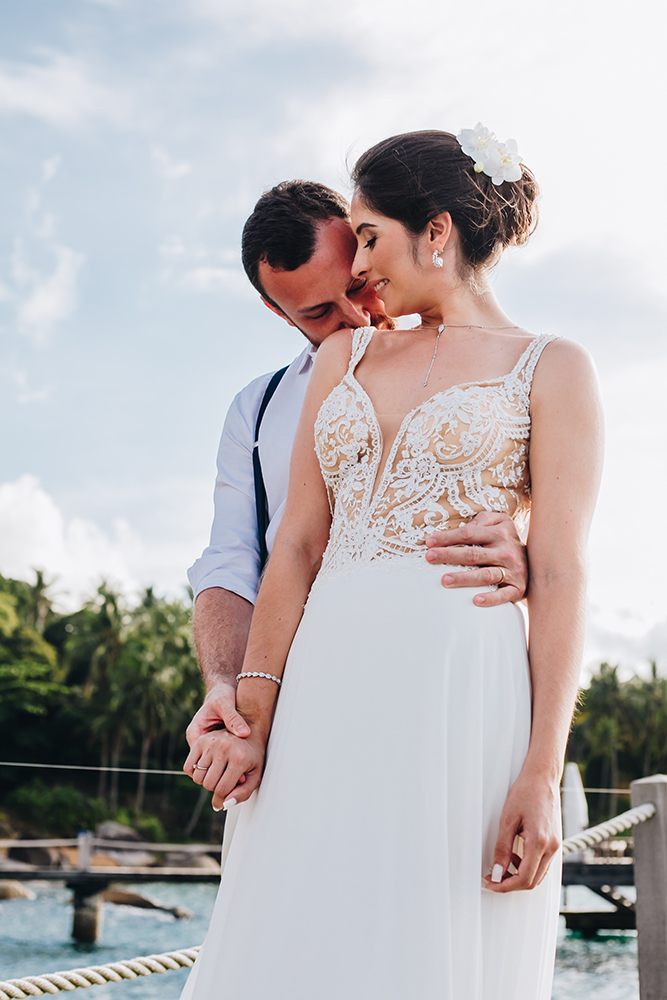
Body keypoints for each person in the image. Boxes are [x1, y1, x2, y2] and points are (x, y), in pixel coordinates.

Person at [181, 127, 603, 999]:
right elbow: (285, 547)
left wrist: (539, 773)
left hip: (459, 687)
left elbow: (562, 572)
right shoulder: (336, 363)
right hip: (323, 682)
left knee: (431, 933)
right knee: (291, 931)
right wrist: (248, 708)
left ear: (436, 230)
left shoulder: (554, 367)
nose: (361, 278)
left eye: (368, 241)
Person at [186, 180, 529, 755]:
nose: (357, 317)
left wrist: (524, 554)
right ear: (277, 310)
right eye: (320, 312)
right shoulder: (257, 409)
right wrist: (228, 688)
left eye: (358, 286)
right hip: (297, 692)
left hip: (445, 678)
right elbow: (231, 560)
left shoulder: (490, 369)